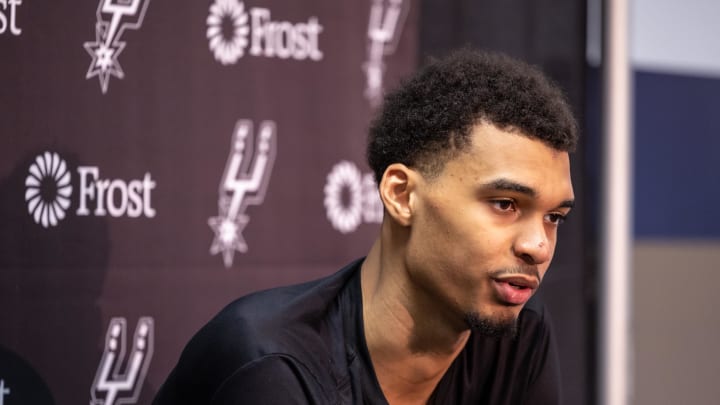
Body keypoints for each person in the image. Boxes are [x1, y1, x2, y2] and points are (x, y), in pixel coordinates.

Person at [153, 48, 577, 405]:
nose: (538, 246)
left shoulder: (521, 333)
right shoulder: (272, 364)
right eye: (505, 204)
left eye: (554, 217)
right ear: (400, 194)